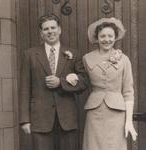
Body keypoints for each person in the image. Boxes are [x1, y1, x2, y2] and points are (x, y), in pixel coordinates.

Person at [19, 14, 88, 150]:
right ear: (41, 33)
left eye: (53, 27)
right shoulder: (30, 54)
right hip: (40, 118)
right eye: (46, 29)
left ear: (59, 29)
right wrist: (24, 120)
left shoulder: (73, 54)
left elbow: (84, 82)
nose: (50, 31)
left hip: (67, 118)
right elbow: (24, 89)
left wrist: (61, 83)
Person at [82, 17, 137, 150]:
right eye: (103, 36)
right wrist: (71, 76)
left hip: (117, 113)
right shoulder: (87, 58)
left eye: (110, 36)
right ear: (97, 38)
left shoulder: (124, 60)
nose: (107, 39)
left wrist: (129, 121)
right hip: (94, 113)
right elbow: (81, 81)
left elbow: (128, 92)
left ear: (115, 37)